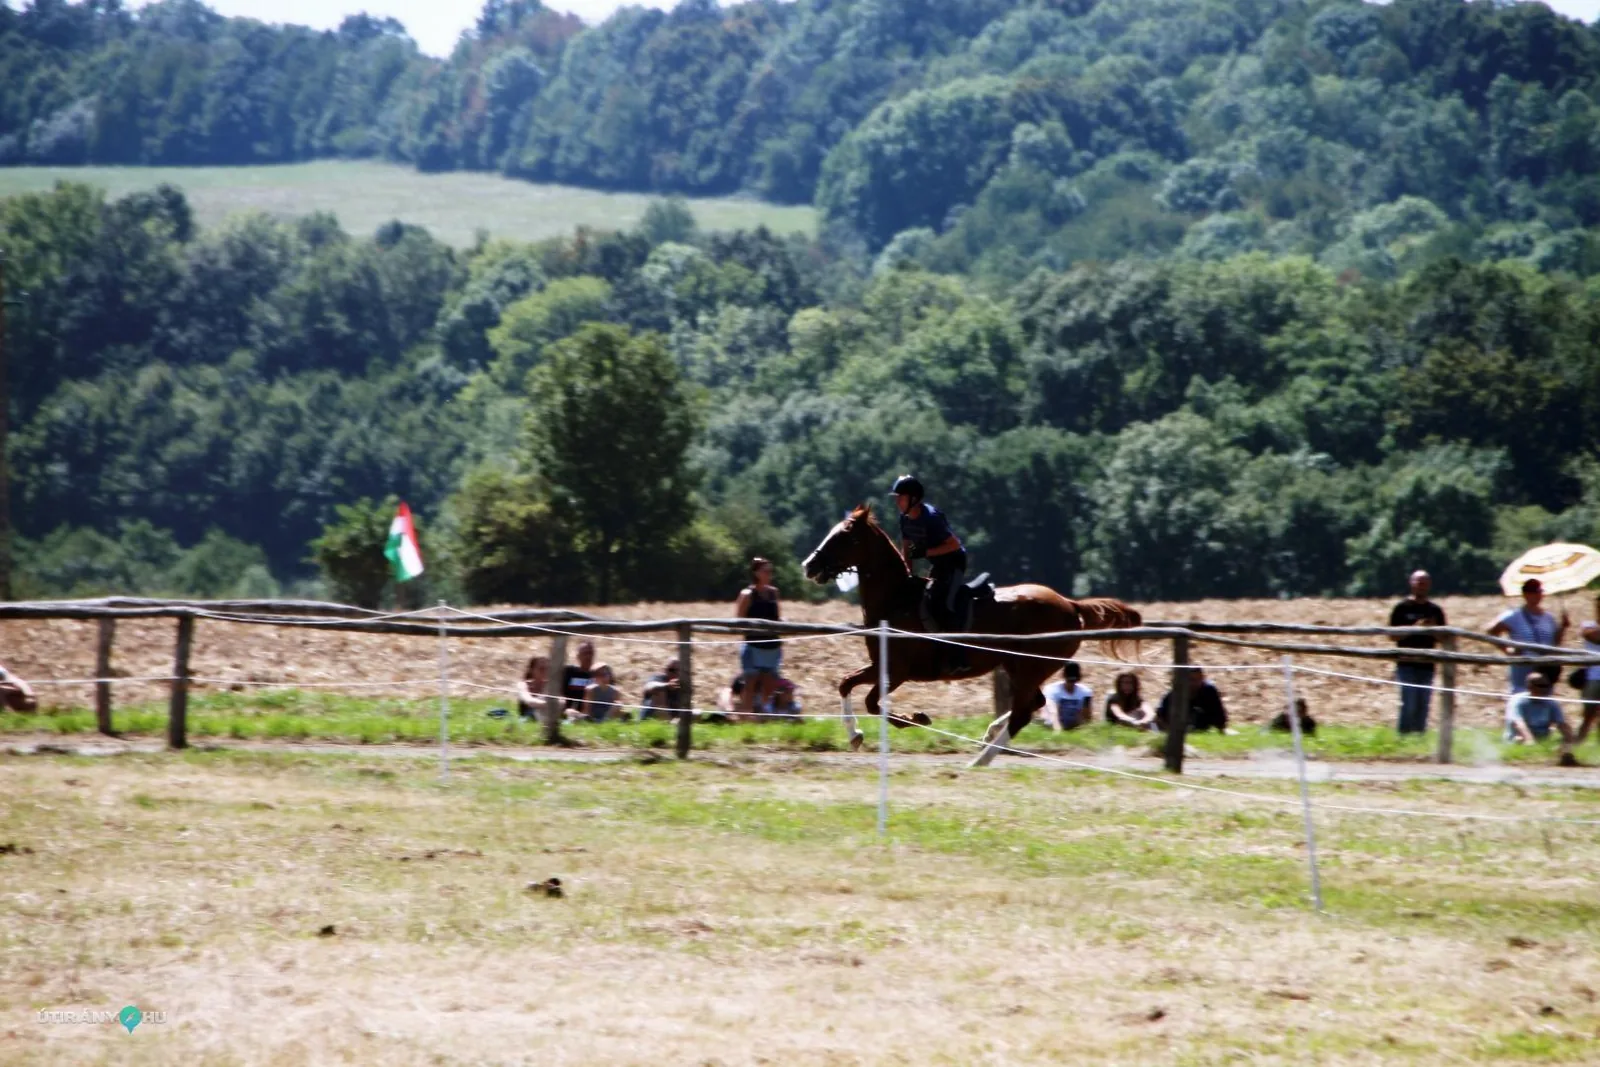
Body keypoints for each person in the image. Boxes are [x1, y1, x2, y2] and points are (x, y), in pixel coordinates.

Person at [890, 474, 966, 632]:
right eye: (896, 498)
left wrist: (926, 551)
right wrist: (908, 574)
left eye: (901, 498)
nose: (897, 502)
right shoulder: (904, 519)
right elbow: (907, 547)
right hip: (938, 564)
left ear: (913, 499)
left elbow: (954, 545)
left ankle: (956, 641)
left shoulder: (931, 518)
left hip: (955, 563)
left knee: (946, 603)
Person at [1488, 578, 1569, 693]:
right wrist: (1508, 651)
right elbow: (1492, 631)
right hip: (1523, 666)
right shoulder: (1514, 615)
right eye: (1532, 591)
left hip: (1544, 668)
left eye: (1538, 591)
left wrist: (1563, 627)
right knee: (1522, 695)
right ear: (1525, 594)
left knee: (1543, 699)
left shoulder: (1548, 617)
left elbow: (1554, 644)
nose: (1536, 595)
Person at [1390, 569, 1446, 734]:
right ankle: (1404, 734)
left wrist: (1433, 628)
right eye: (1418, 582)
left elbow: (1443, 639)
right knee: (1409, 701)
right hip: (1406, 662)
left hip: (1427, 664)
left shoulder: (1435, 611)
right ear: (1411, 584)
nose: (1421, 586)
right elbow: (1392, 636)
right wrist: (1414, 628)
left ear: (1429, 585)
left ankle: (1419, 735)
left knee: (1423, 703)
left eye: (1424, 583)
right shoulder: (1401, 608)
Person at [735, 557, 782, 721]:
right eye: (765, 571)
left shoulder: (774, 593)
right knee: (750, 682)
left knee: (770, 683)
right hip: (753, 644)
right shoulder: (747, 594)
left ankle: (759, 714)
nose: (769, 574)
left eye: (770, 571)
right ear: (756, 572)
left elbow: (777, 618)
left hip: (772, 645)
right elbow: (739, 619)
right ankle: (745, 717)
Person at [1505, 673, 1574, 748]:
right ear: (1530, 686)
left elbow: (1561, 724)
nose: (1545, 689)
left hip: (1542, 740)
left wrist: (1570, 739)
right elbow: (1518, 723)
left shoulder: (1551, 703)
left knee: (1564, 744)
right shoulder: (1518, 700)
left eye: (1547, 686)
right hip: (1520, 738)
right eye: (1541, 686)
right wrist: (1530, 740)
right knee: (1519, 739)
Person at [1157, 669, 1228, 733]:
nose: (1194, 683)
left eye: (1198, 679)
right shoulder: (1175, 693)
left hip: (1201, 727)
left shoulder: (1209, 690)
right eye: (1191, 679)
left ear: (1202, 678)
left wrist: (1221, 729)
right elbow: (1160, 717)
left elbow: (1219, 715)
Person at [1575, 594, 1600, 745]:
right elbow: (1596, 637)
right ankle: (1576, 747)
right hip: (1593, 677)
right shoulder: (1588, 625)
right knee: (1588, 715)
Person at [1042, 662, 1093, 730]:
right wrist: (1058, 730)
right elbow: (1053, 712)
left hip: (1074, 727)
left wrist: (1080, 730)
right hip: (1052, 726)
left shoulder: (1086, 692)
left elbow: (1086, 716)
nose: (1071, 683)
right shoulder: (1051, 690)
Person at [561, 641, 597, 711]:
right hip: (570, 709)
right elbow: (560, 691)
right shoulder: (569, 672)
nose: (588, 656)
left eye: (590, 653)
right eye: (585, 653)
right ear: (578, 656)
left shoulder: (599, 673)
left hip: (593, 711)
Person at [514, 654, 549, 721]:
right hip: (527, 719)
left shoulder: (551, 686)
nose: (545, 672)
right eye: (541, 669)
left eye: (547, 669)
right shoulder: (522, 685)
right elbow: (529, 701)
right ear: (531, 670)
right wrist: (550, 704)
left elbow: (562, 702)